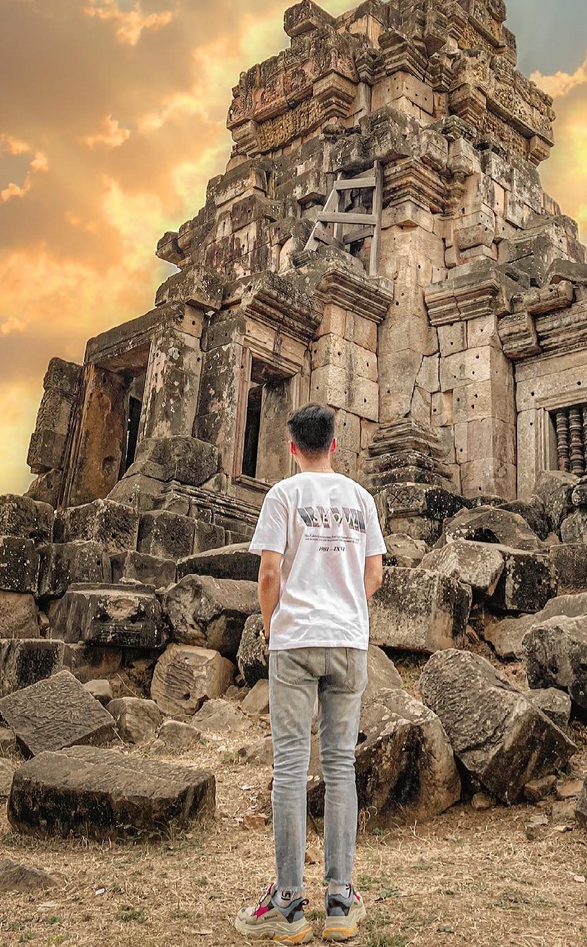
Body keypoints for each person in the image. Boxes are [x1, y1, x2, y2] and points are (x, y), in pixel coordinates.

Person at [235, 402, 386, 943]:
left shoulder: (283, 495)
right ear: (336, 445)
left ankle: (289, 903)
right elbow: (375, 572)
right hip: (348, 640)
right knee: (341, 766)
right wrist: (346, 607)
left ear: (293, 447)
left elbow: (270, 568)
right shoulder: (361, 499)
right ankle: (341, 900)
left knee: (292, 767)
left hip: (296, 640)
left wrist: (272, 622)